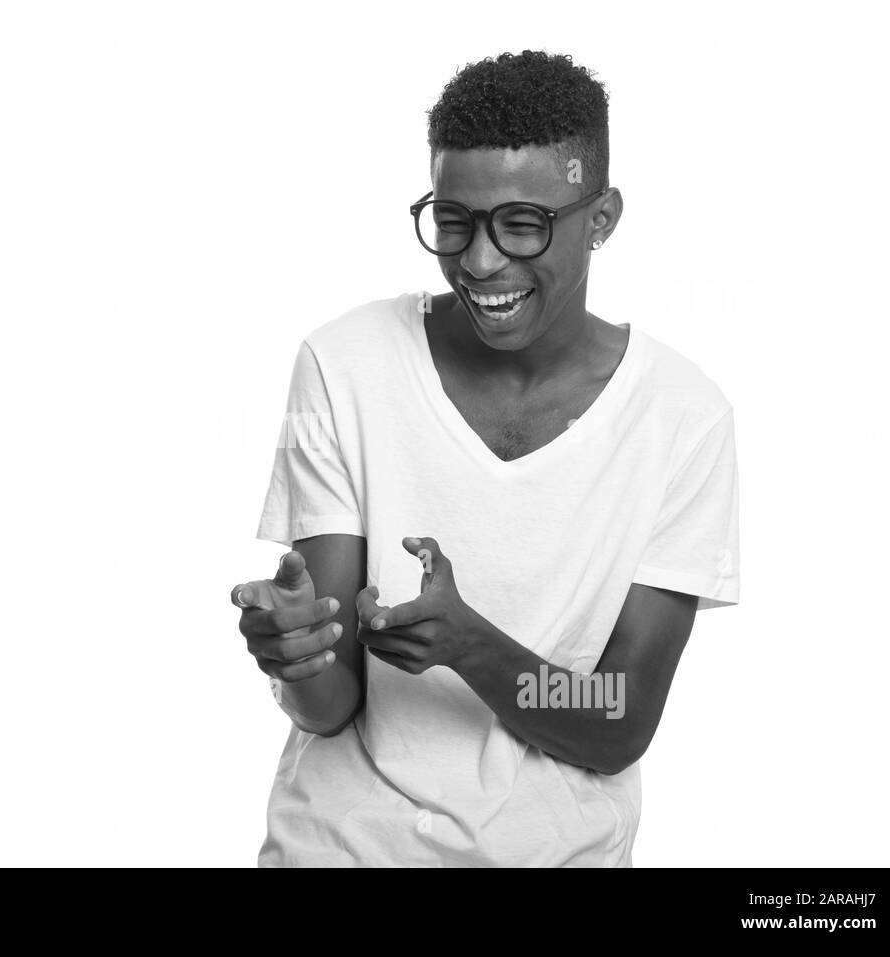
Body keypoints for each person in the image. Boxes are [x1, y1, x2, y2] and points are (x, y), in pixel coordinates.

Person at [231, 50, 740, 867]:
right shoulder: (341, 364)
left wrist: (473, 648)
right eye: (455, 218)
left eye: (523, 223)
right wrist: (298, 655)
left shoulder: (683, 420)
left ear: (602, 217)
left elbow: (619, 721)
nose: (479, 260)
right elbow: (331, 708)